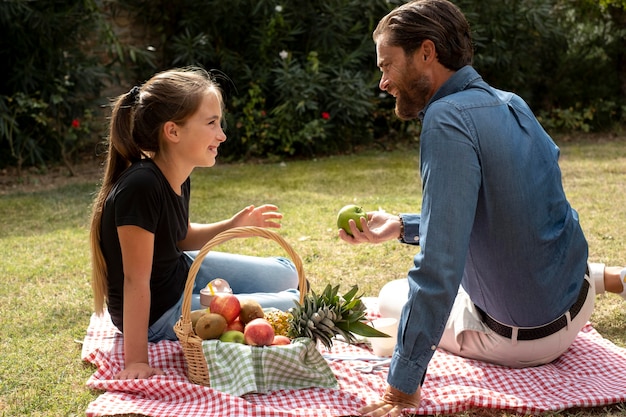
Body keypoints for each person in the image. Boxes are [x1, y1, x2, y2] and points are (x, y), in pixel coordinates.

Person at [337, 1, 626, 415]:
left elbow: (439, 266)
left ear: (425, 52)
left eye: (386, 66)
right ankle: (607, 277)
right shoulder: (510, 102)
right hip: (575, 304)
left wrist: (400, 390)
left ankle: (604, 278)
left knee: (389, 298)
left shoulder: (445, 119)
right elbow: (513, 214)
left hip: (528, 341)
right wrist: (402, 226)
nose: (383, 82)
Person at [89, 67, 300, 380]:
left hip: (180, 271)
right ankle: (206, 301)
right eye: (211, 123)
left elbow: (180, 236)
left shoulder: (176, 173)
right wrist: (135, 361)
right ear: (173, 132)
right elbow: (135, 280)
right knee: (295, 305)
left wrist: (233, 224)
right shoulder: (141, 187)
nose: (222, 135)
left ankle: (209, 294)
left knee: (288, 273)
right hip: (158, 314)